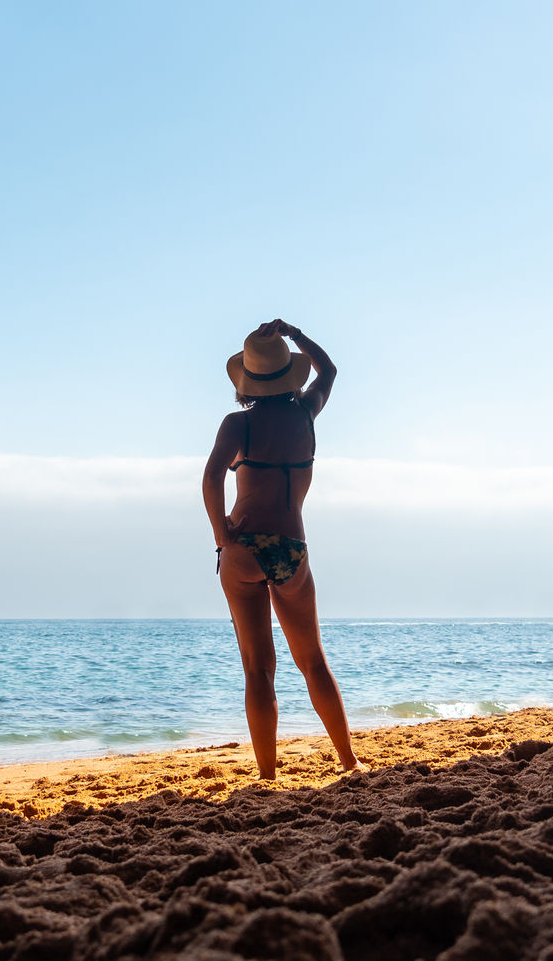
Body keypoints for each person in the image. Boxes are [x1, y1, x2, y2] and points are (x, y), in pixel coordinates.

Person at [202, 319, 359, 779]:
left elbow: (212, 476)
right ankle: (349, 762)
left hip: (243, 546)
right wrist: (294, 332)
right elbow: (328, 370)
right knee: (312, 661)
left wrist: (220, 533)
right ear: (290, 373)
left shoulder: (238, 424)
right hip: (290, 546)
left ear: (247, 381)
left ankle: (268, 775)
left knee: (257, 669)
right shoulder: (306, 414)